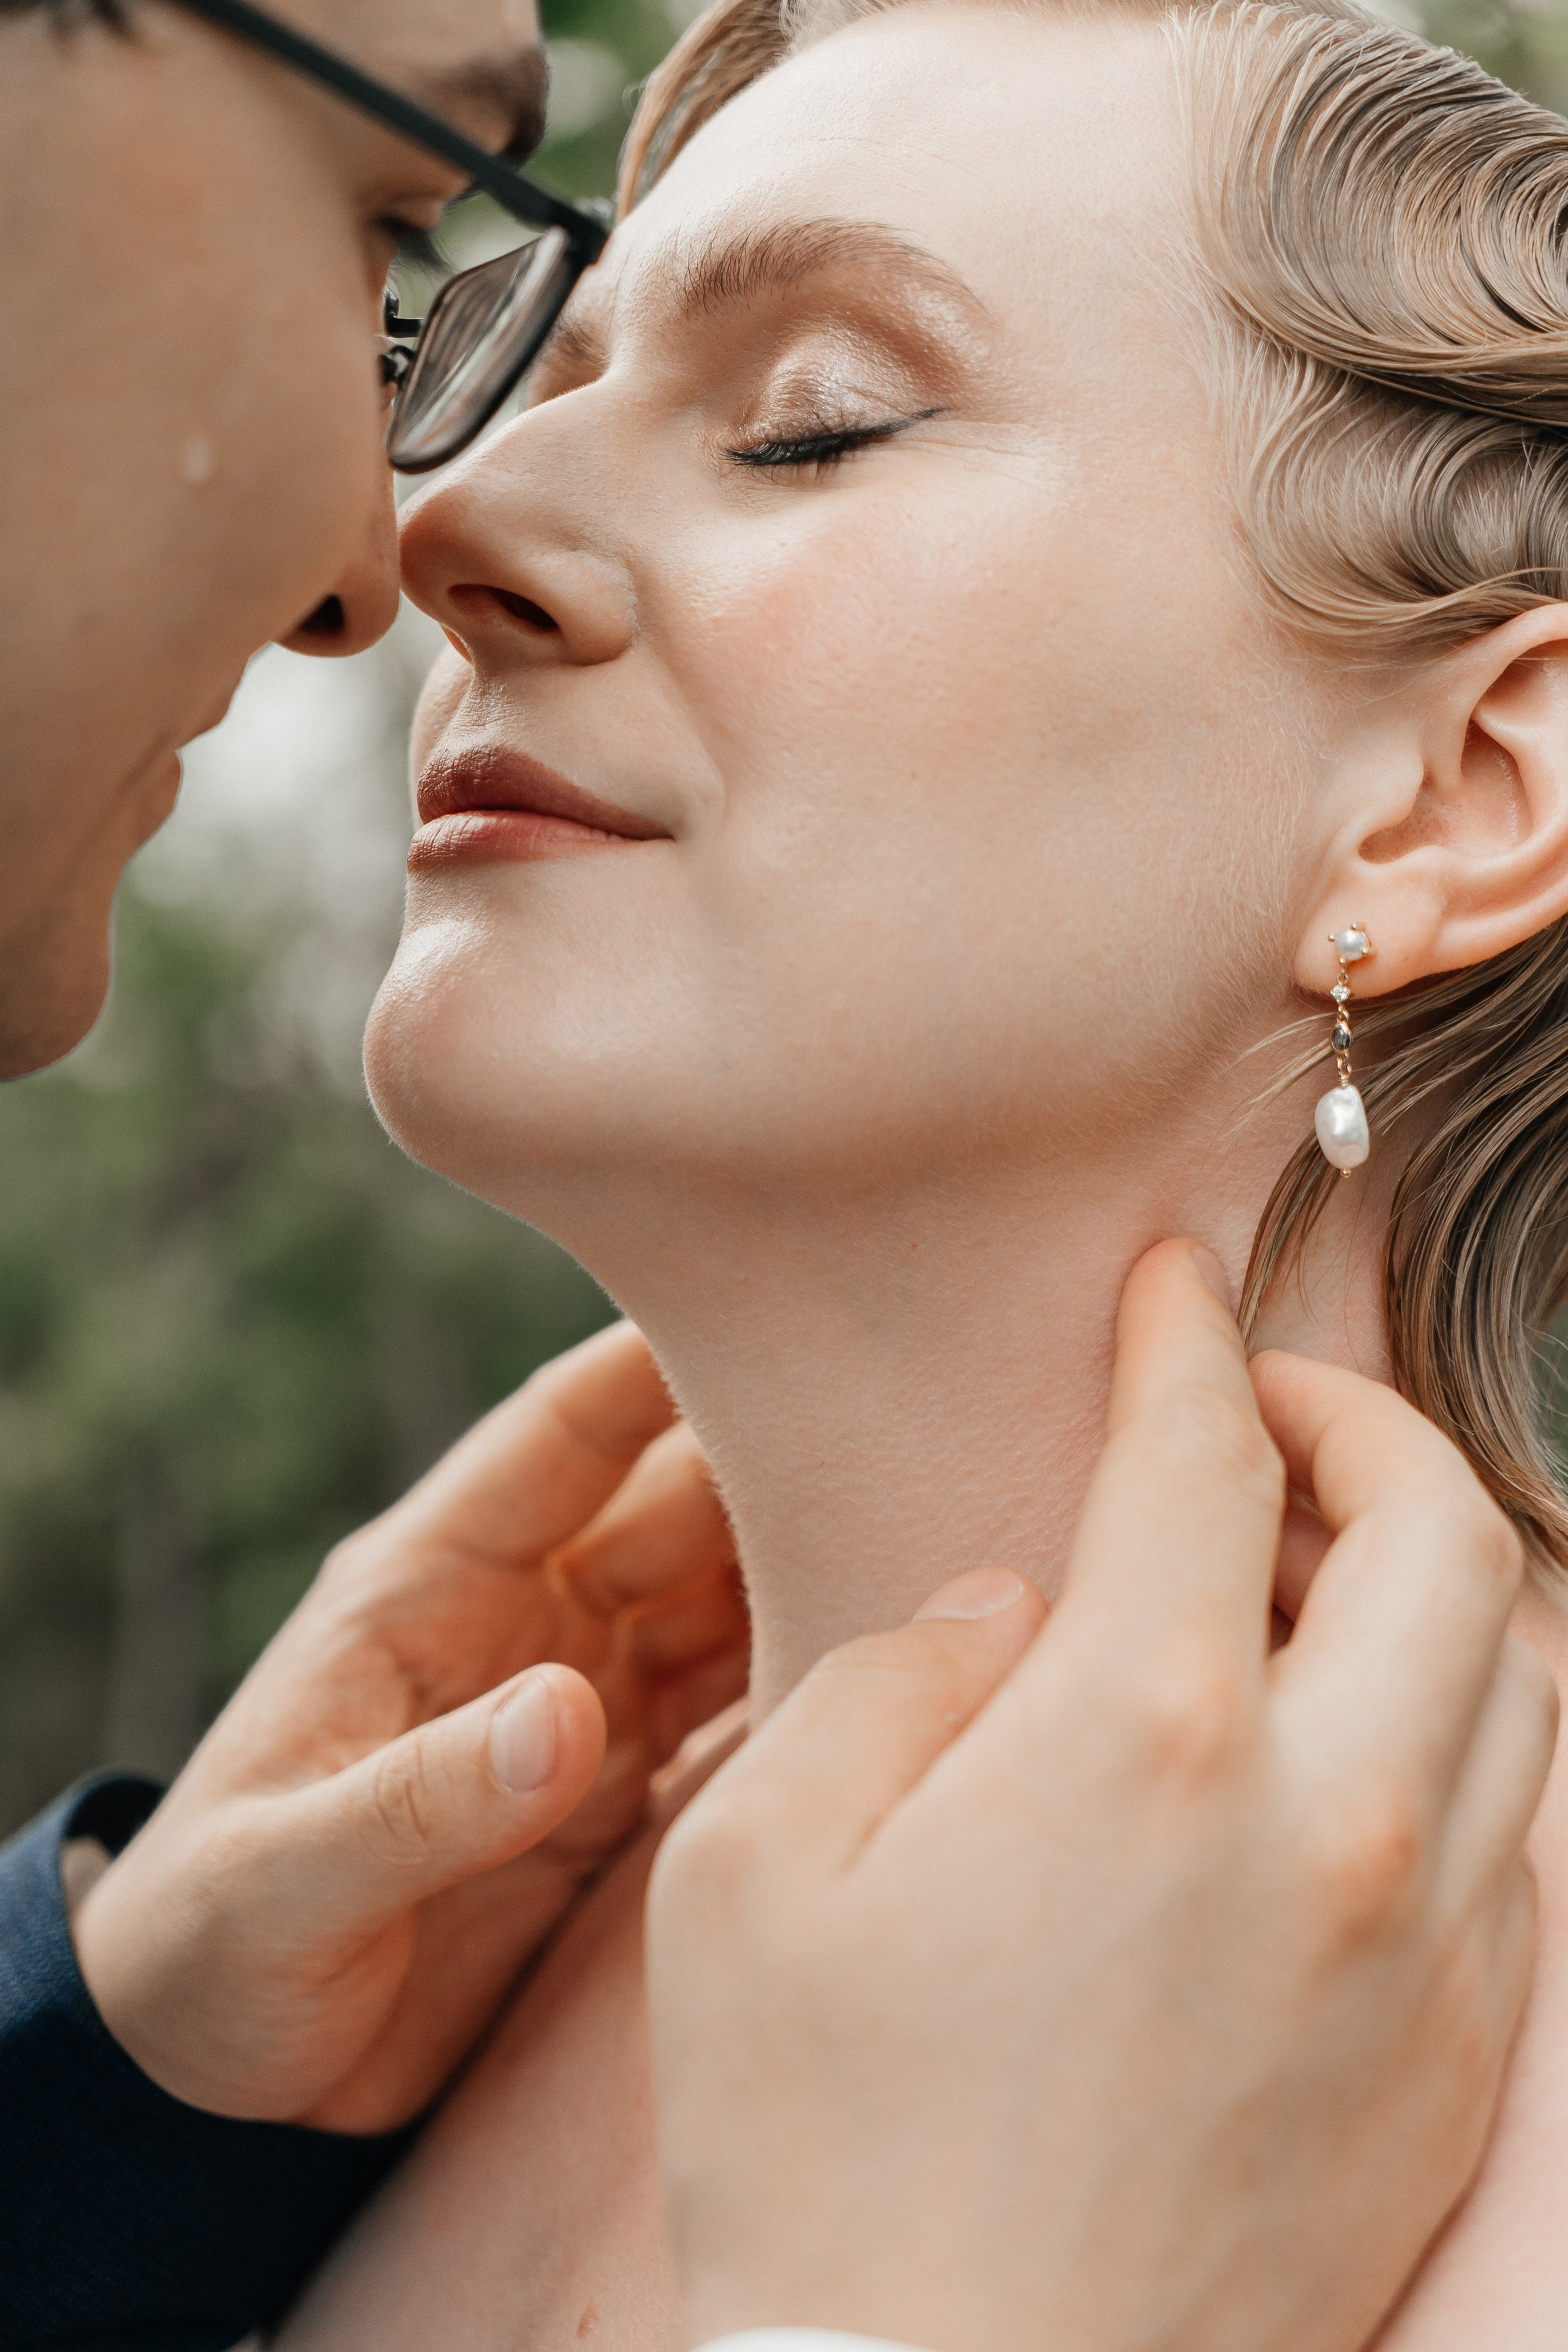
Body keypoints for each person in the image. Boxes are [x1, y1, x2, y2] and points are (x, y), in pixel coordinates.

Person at [0, 1, 1555, 2349]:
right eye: (537, 384)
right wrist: (96, 2079)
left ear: (1459, 795)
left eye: (809, 421)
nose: (444, 523)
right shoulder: (319, 2025)